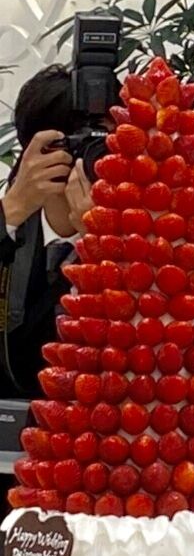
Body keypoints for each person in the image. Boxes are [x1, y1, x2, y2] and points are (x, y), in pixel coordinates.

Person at [0, 65, 94, 511]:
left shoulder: (144, 236)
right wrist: (11, 210)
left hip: (94, 477)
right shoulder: (9, 223)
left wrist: (104, 243)